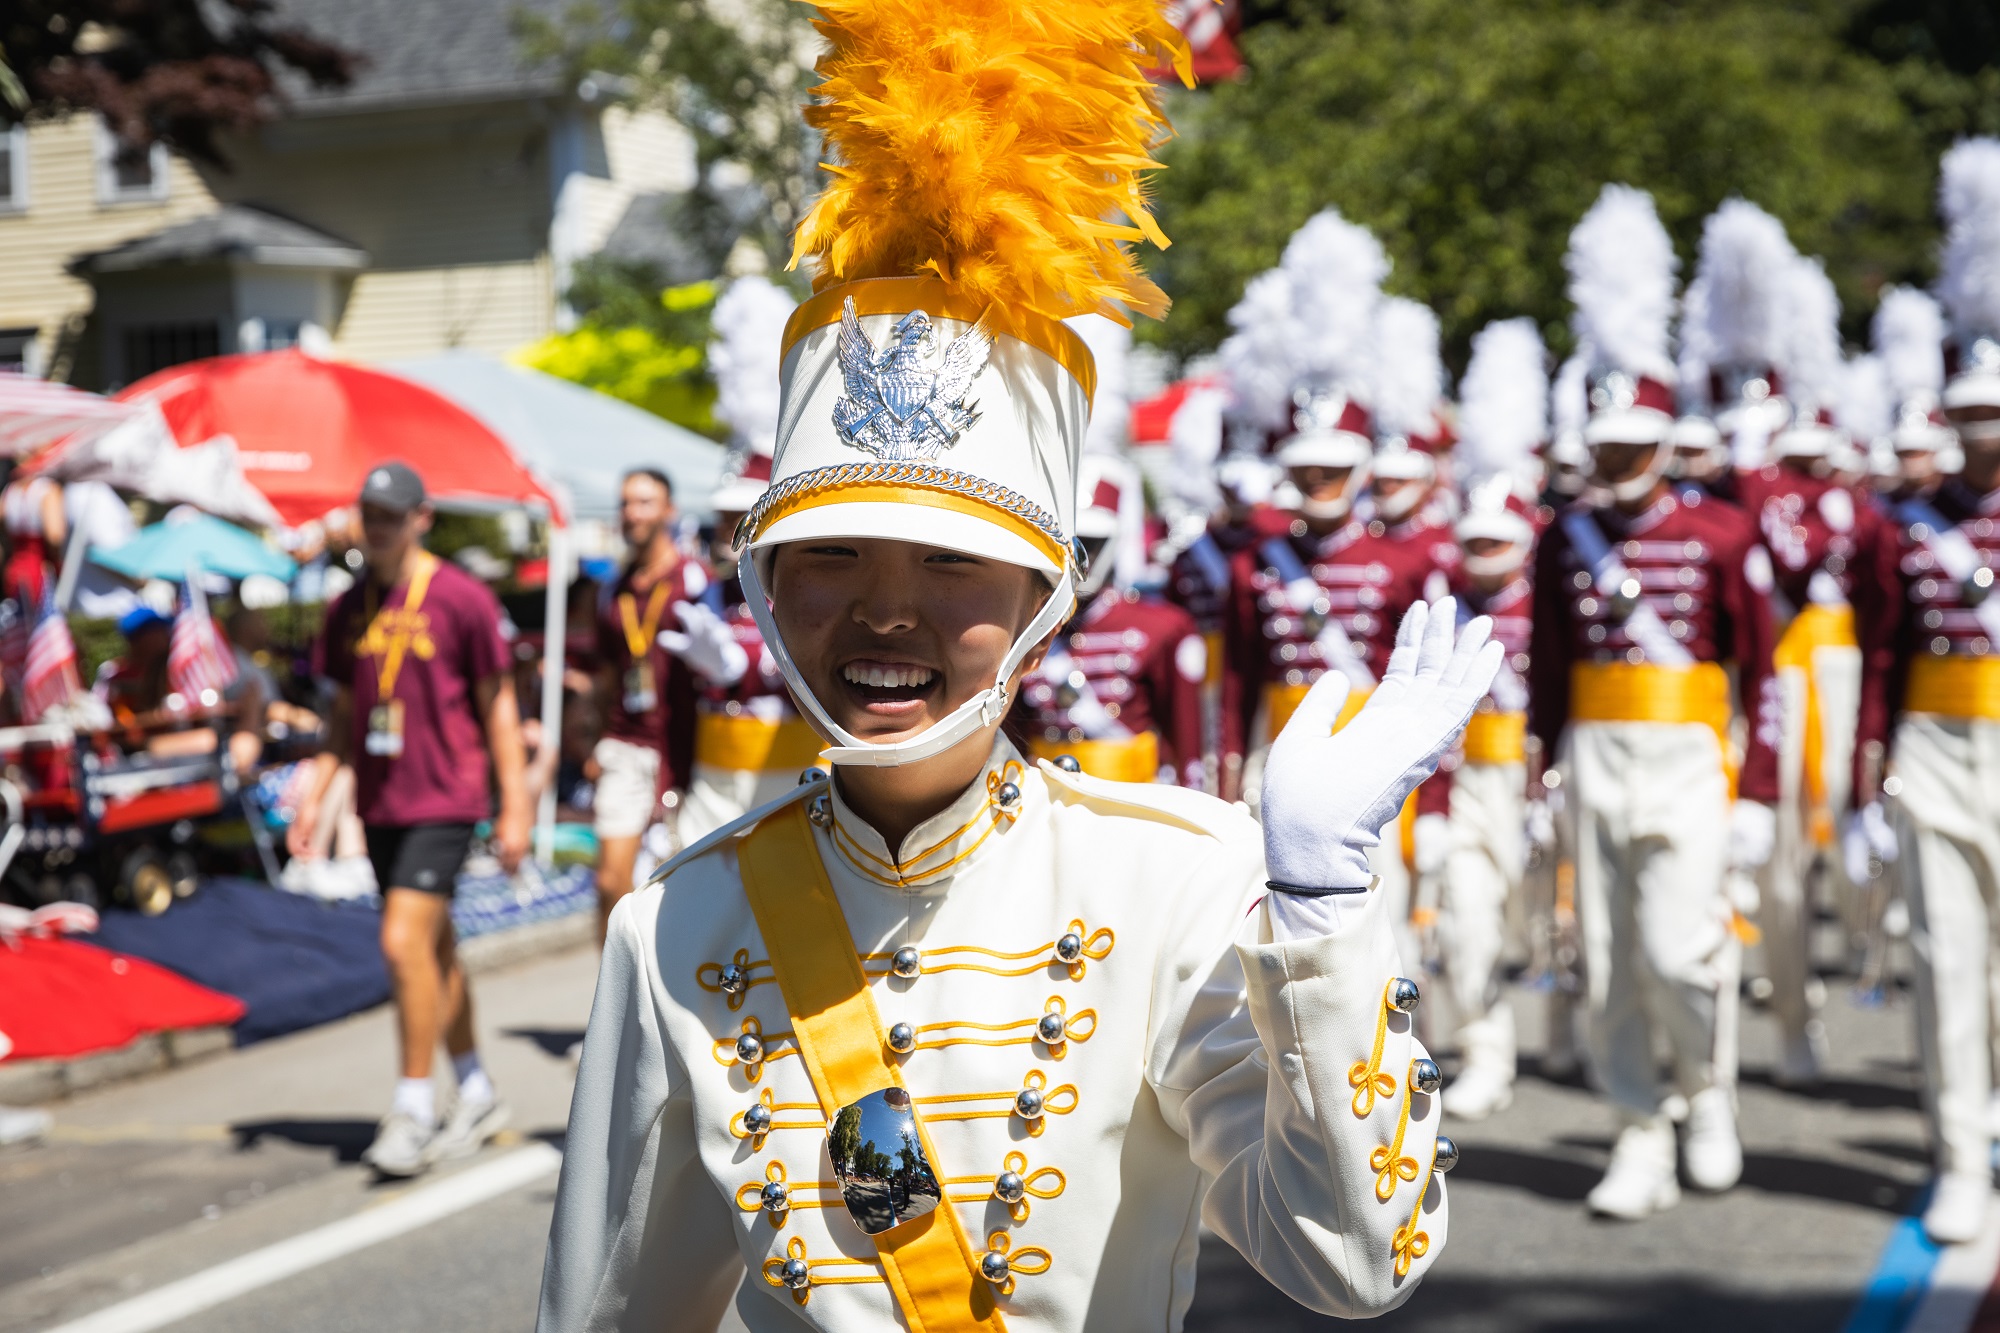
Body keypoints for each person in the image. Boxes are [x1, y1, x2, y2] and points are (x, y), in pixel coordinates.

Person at [539, 8, 1488, 1326]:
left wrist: (1322, 913)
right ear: (765, 581)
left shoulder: (1172, 875)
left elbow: (1355, 1262)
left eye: (949, 567)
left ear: (1047, 598)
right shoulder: (676, 930)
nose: (885, 616)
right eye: (837, 559)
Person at [1530, 185, 1781, 1221]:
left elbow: (1762, 668)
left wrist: (1758, 787)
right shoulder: (1560, 538)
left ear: (1664, 436)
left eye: (1634, 441)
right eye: (1604, 443)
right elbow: (1546, 663)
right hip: (1594, 750)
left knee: (1681, 949)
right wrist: (1546, 768)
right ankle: (1636, 1125)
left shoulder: (1720, 532)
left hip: (1686, 753)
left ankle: (1705, 1090)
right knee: (1608, 957)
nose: (1617, 459)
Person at [291, 461, 529, 1179]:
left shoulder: (460, 597)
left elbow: (499, 705)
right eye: (371, 514)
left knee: (402, 942)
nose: (381, 526)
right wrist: (316, 790)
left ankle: (414, 1107)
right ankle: (479, 1091)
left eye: (393, 514)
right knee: (435, 948)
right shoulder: (347, 608)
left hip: (447, 798)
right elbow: (341, 716)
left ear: (422, 517)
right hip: (384, 801)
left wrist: (515, 804)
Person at [1848, 136, 2000, 1246]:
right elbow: (1880, 650)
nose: (1981, 432)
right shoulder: (1902, 526)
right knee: (1942, 961)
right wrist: (1867, 773)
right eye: (1969, 415)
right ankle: (1957, 1153)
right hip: (1933, 748)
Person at [1010, 454, 1206, 785]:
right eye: (1066, 545)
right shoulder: (1022, 624)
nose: (1079, 558)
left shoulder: (1162, 626)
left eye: (1089, 544)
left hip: (1130, 798)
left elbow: (1185, 743)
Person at [590, 468, 705, 940]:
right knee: (610, 884)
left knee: (680, 888)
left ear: (668, 511)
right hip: (626, 743)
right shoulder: (611, 589)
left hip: (686, 749)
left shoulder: (692, 581)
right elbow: (605, 674)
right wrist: (593, 740)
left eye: (643, 502)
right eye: (625, 503)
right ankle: (616, 1004)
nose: (631, 513)